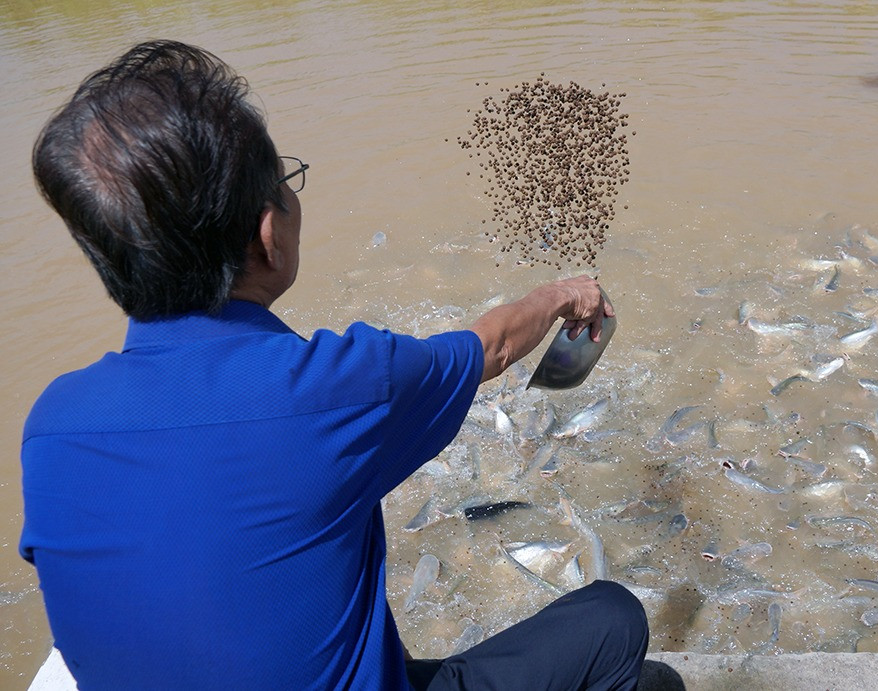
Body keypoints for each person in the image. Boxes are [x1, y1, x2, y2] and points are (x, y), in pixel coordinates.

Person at [20, 40, 649, 690]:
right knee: (613, 620)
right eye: (287, 185)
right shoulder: (327, 388)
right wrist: (560, 294)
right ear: (268, 234)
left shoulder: (50, 428)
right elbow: (489, 346)